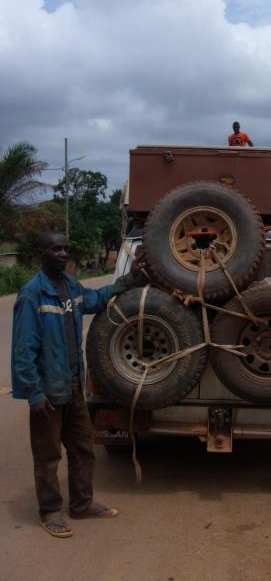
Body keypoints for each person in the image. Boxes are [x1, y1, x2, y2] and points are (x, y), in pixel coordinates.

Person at [11, 231, 136, 538]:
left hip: (73, 388)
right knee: (48, 457)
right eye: (56, 249)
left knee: (83, 449)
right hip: (48, 394)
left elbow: (95, 300)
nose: (63, 254)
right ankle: (50, 511)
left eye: (66, 249)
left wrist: (128, 281)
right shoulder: (32, 294)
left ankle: (82, 504)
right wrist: (34, 395)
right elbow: (23, 352)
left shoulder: (70, 287)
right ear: (42, 254)